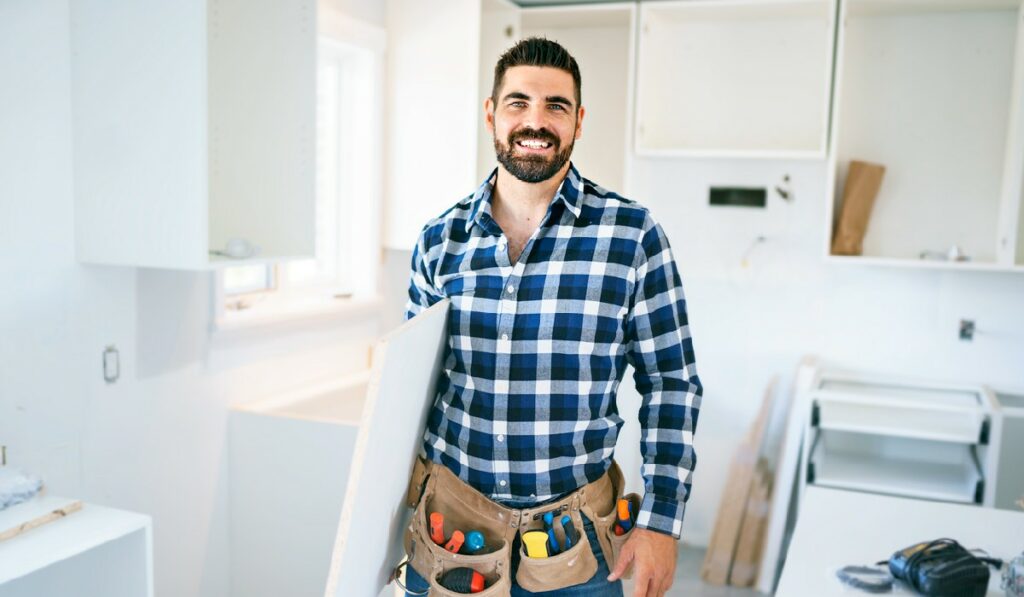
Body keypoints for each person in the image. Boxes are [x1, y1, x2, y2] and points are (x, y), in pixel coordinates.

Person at [403, 37, 702, 597]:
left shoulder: (632, 236)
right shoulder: (439, 242)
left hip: (579, 549)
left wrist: (662, 522)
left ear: (579, 121)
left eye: (555, 106)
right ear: (492, 114)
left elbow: (672, 384)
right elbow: (411, 396)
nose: (535, 121)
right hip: (452, 540)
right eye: (518, 103)